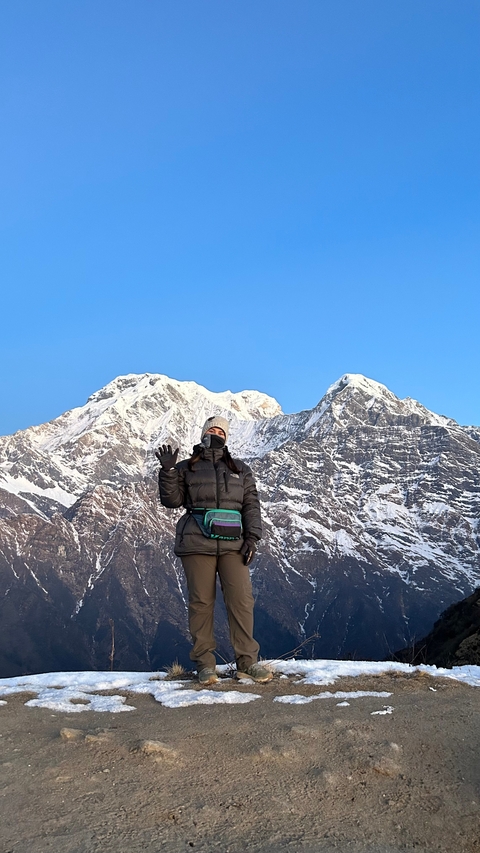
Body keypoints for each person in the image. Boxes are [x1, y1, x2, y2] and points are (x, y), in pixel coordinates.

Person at [157, 415, 272, 685]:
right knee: (201, 604)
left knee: (241, 601)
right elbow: (172, 501)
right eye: (211, 428)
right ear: (202, 433)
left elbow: (251, 505)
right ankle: (205, 665)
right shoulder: (186, 467)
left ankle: (247, 663)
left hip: (234, 544)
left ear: (226, 436)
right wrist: (168, 472)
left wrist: (253, 538)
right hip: (197, 541)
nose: (215, 432)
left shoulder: (240, 469)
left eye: (220, 430)